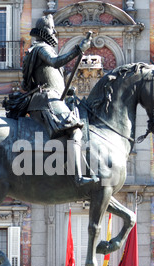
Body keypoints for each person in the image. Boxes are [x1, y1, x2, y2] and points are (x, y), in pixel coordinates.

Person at [22, 14, 98, 187]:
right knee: (74, 129)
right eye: (53, 30)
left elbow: (50, 76)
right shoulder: (42, 48)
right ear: (47, 31)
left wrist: (67, 90)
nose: (55, 33)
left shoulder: (39, 49)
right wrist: (78, 49)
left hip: (50, 97)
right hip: (46, 99)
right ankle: (78, 176)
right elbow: (55, 63)